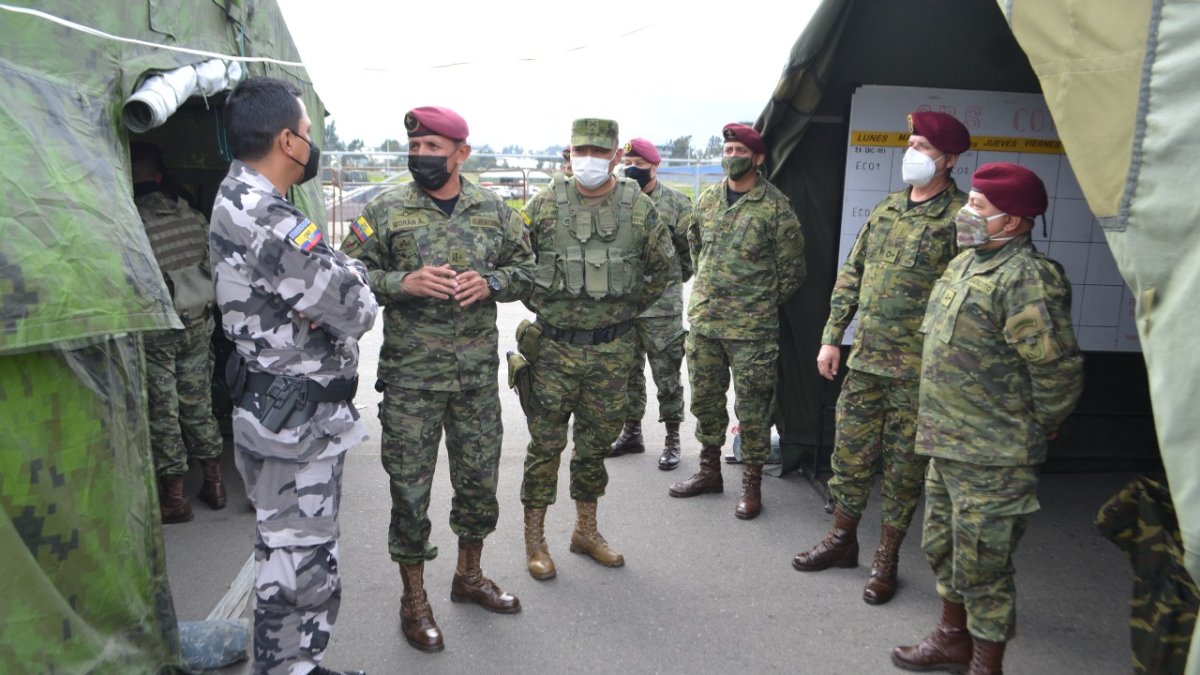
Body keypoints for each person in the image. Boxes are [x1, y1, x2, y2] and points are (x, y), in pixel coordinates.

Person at [344, 106, 534, 653]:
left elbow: (528, 270)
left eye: (433, 148)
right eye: (416, 147)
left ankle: (468, 577)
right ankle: (414, 600)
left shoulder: (494, 210)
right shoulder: (384, 211)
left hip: (474, 380)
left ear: (461, 154)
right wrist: (401, 281)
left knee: (478, 486)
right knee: (410, 494)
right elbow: (348, 277)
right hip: (410, 383)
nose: (422, 156)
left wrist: (493, 282)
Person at [209, 77, 377, 675]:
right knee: (296, 563)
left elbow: (322, 291)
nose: (311, 144)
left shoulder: (242, 199)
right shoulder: (269, 219)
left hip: (283, 414)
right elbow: (355, 310)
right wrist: (350, 269)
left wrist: (337, 270)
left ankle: (297, 666)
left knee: (294, 555)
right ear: (286, 140)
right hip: (295, 425)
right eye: (308, 134)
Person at [891, 163, 1083, 674]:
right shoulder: (964, 264)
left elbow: (1057, 370)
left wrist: (1037, 425)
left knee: (984, 566)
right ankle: (952, 638)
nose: (965, 211)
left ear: (1014, 222)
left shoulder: (1028, 279)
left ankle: (985, 662)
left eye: (978, 205)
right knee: (942, 548)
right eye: (969, 200)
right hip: (946, 443)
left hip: (995, 453)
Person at [792, 111, 970, 605]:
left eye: (924, 147)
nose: (911, 153)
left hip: (918, 372)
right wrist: (832, 337)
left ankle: (886, 557)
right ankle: (842, 539)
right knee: (849, 457)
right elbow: (852, 274)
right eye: (910, 142)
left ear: (950, 159)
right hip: (866, 362)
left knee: (903, 469)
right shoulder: (887, 210)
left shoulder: (961, 220)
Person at [517, 118, 675, 579]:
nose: (587, 157)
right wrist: (549, 307)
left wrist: (620, 309)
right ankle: (535, 540)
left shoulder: (640, 210)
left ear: (615, 157)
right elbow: (515, 264)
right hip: (553, 350)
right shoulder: (543, 206)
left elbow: (663, 270)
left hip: (611, 351)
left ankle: (586, 531)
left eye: (597, 150)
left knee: (594, 447)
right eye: (579, 148)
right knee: (544, 446)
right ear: (570, 152)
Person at [668, 122, 805, 520]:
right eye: (727, 152)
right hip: (707, 324)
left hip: (752, 332)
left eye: (739, 151)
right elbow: (695, 249)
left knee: (753, 409)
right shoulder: (708, 201)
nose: (732, 158)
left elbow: (793, 271)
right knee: (706, 402)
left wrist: (756, 302)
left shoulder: (776, 207)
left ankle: (751, 485)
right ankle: (709, 472)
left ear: (758, 158)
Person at [131, 141, 226, 523]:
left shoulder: (132, 222)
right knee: (199, 403)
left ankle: (175, 498)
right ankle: (215, 483)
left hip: (159, 329)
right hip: (199, 321)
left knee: (164, 410)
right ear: (158, 176)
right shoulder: (191, 215)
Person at [608, 137, 693, 470]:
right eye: (627, 164)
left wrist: (669, 281)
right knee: (629, 372)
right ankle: (632, 432)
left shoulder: (676, 203)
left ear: (654, 167)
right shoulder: (615, 201)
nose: (632, 170)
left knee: (667, 373)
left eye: (640, 165)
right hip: (625, 304)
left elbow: (689, 254)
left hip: (661, 307)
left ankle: (672, 438)